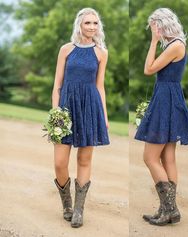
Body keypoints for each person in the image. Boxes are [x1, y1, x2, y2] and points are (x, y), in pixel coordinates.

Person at [134, 8, 188, 226]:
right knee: (167, 157)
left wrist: (153, 41)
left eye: (154, 26)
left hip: (165, 99)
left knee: (150, 158)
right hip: (168, 97)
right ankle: (166, 209)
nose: (154, 30)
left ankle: (171, 209)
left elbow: (148, 69)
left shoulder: (176, 45)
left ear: (162, 25)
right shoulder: (177, 44)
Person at [51, 7, 110, 228]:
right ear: (79, 25)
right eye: (88, 23)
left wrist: (103, 115)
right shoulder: (66, 50)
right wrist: (56, 112)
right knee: (59, 163)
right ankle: (66, 204)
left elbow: (100, 86)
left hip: (89, 108)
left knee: (84, 160)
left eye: (95, 23)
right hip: (66, 108)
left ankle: (78, 210)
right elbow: (57, 85)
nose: (92, 27)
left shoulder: (101, 52)